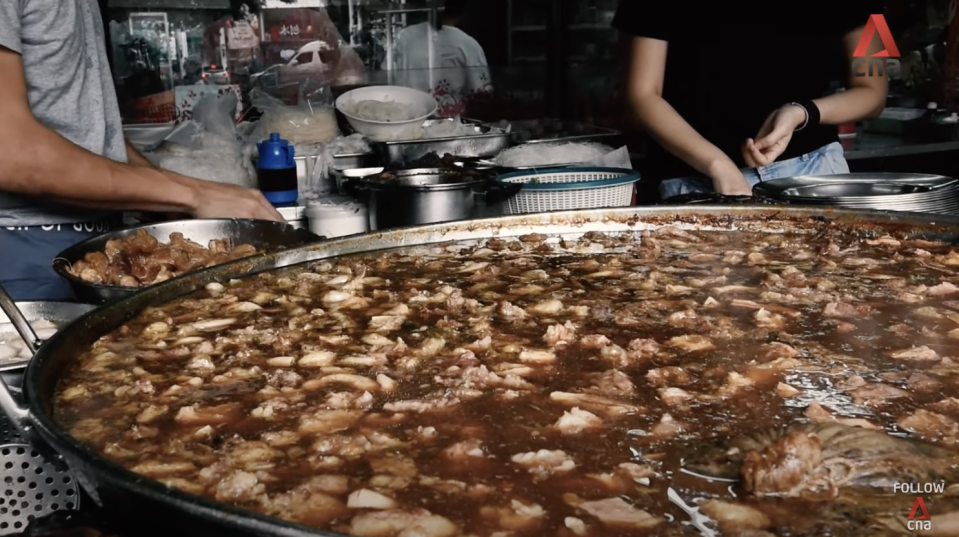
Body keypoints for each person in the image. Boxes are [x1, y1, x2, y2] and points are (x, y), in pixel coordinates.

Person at [0, 0, 282, 301]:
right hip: (23, 248)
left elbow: (94, 137)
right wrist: (195, 194)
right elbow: (10, 152)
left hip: (98, 237)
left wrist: (166, 193)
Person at [614, 1, 889, 199]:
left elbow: (875, 92)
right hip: (698, 182)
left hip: (816, 173)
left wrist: (800, 112)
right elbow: (640, 95)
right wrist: (717, 164)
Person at [390, 0, 492, 117]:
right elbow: (482, 96)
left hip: (408, 120)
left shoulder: (405, 37)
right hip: (453, 126)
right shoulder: (468, 45)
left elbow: (388, 82)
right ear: (463, 11)